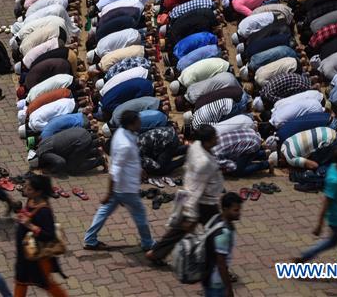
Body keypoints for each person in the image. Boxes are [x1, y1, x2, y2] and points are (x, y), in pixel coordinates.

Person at [146, 125, 223, 264]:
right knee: (217, 234)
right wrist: (191, 215)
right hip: (203, 203)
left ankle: (156, 253)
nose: (217, 139)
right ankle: (220, 266)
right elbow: (196, 189)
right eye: (214, 137)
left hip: (190, 197)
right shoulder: (204, 163)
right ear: (207, 141)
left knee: (178, 230)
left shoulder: (196, 146)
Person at [83, 110, 154, 251]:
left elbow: (128, 159)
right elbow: (114, 171)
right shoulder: (124, 145)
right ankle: (148, 243)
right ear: (131, 124)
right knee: (140, 214)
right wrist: (108, 193)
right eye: (138, 120)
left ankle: (90, 239)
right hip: (125, 187)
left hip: (120, 186)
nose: (140, 122)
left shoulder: (122, 132)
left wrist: (139, 169)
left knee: (104, 211)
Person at [295, 147, 337, 291]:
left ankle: (304, 257)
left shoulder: (335, 168)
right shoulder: (335, 180)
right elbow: (326, 202)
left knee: (332, 242)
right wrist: (319, 224)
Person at [14, 173, 67, 297]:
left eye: (29, 188)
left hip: (38, 257)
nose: (25, 190)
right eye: (25, 186)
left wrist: (30, 226)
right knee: (21, 281)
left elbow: (49, 235)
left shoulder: (44, 211)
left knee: (47, 284)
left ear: (38, 192)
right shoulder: (31, 200)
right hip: (25, 254)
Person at [204, 192, 243, 297]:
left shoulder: (216, 219)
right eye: (235, 210)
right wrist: (228, 289)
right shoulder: (223, 234)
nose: (239, 213)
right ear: (225, 209)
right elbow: (221, 264)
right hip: (216, 283)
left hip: (209, 276)